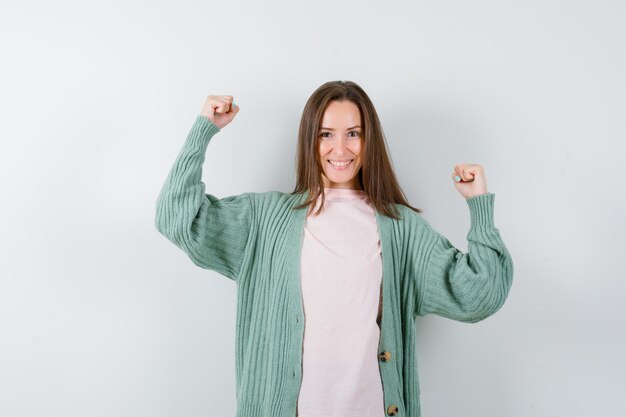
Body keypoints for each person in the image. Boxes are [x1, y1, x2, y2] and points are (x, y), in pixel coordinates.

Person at [154, 80, 514, 417]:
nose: (340, 149)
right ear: (310, 139)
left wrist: (478, 205)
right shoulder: (262, 220)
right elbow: (177, 217)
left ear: (368, 140)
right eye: (326, 134)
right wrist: (204, 130)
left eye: (353, 134)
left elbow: (479, 294)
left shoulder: (401, 229)